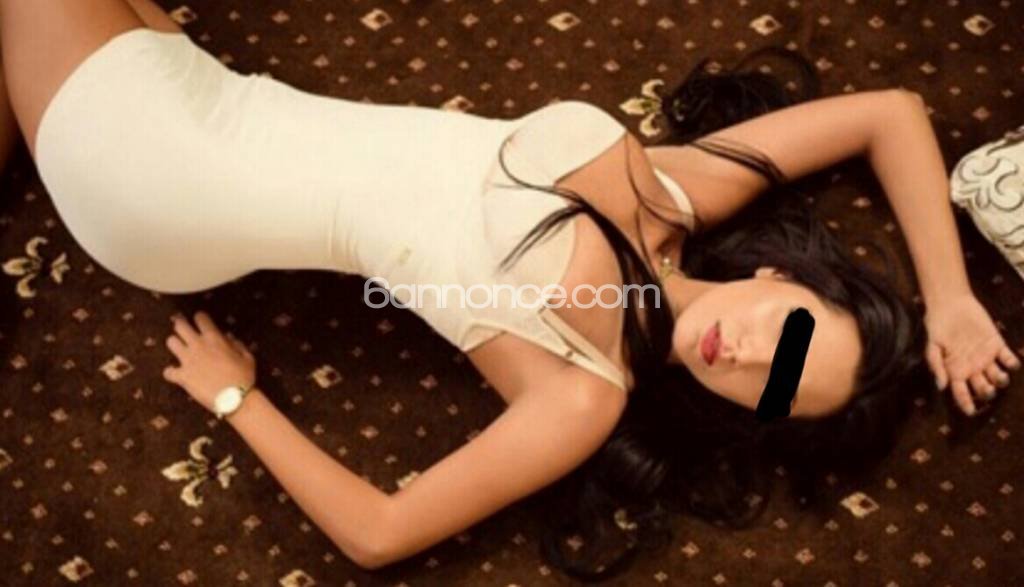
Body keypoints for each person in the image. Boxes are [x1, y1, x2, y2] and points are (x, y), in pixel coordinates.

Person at [2, 0, 1018, 577]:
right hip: (223, 96)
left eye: (774, 388)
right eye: (788, 332)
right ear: (777, 276)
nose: (750, 355)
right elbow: (890, 112)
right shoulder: (679, 190)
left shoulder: (582, 394)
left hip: (165, 182)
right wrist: (951, 300)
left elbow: (378, 532)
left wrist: (238, 395)